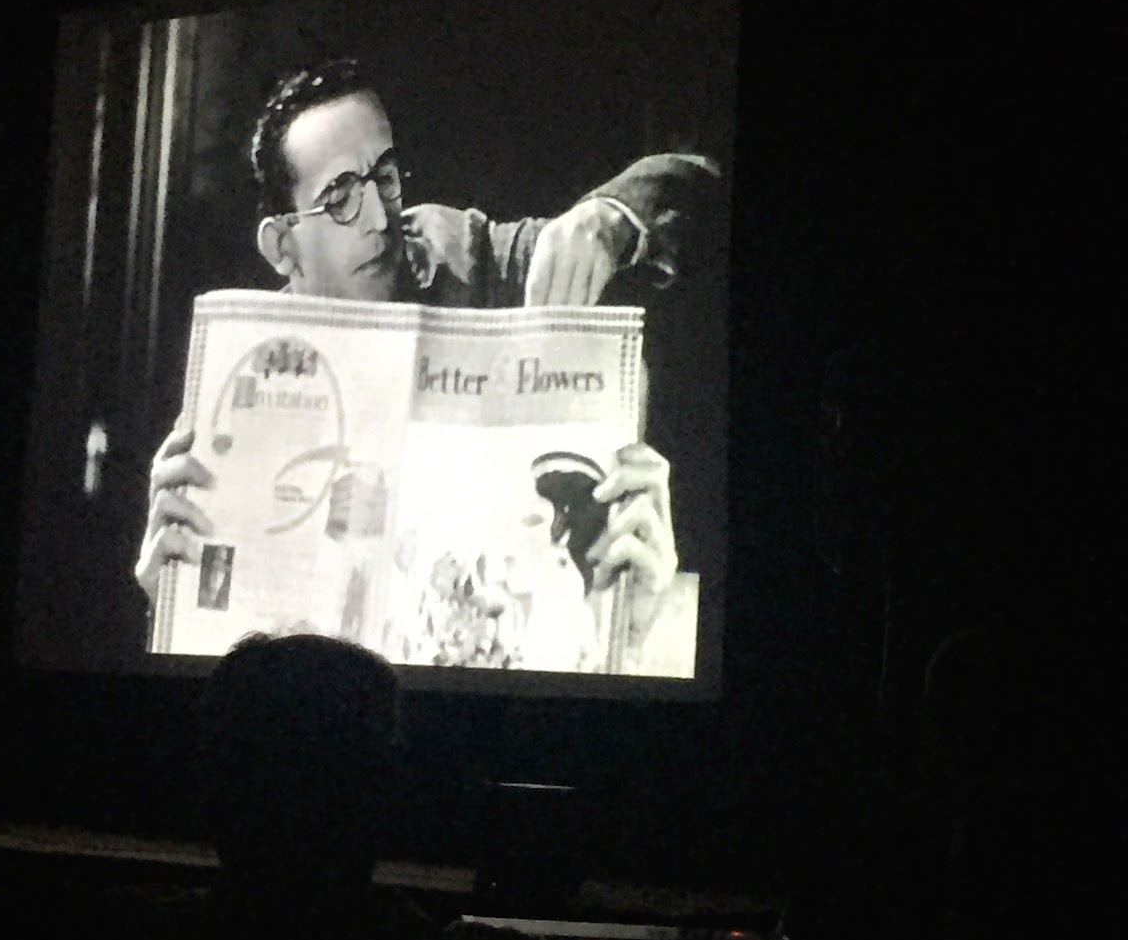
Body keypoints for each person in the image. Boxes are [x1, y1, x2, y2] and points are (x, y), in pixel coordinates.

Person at [136, 58, 718, 623]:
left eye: (383, 178)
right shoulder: (245, 383)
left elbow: (701, 189)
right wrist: (170, 602)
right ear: (283, 247)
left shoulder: (469, 257)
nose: (379, 219)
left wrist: (611, 220)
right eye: (340, 197)